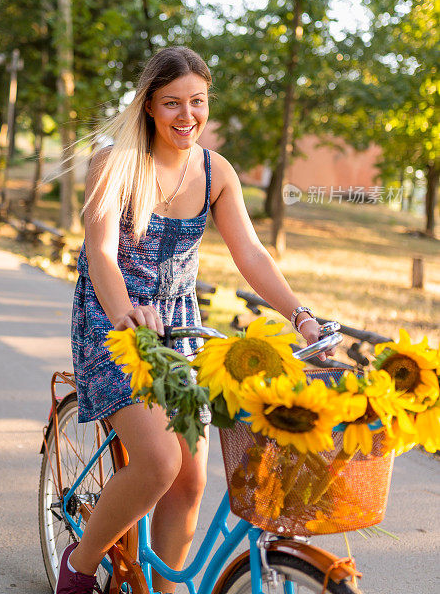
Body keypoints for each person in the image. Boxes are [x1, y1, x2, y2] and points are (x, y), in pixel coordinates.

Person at [57, 46, 328, 594]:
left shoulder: (215, 172)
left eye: (198, 103)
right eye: (173, 104)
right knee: (158, 462)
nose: (188, 117)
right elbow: (102, 251)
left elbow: (250, 253)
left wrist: (300, 315)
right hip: (115, 322)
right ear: (150, 107)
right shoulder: (113, 165)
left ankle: (162, 588)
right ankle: (79, 566)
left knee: (190, 478)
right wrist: (123, 313)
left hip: (180, 326)